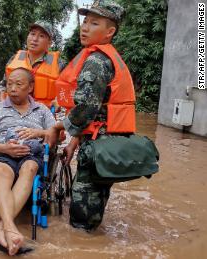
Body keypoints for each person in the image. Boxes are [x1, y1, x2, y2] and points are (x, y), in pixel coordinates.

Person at [49, 0, 136, 231]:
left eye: (94, 23)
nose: (85, 27)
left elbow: (86, 109)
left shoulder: (96, 61)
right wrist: (75, 141)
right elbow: (97, 114)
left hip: (100, 149)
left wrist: (59, 128)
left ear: (110, 32)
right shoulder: (108, 57)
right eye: (85, 21)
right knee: (94, 204)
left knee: (82, 222)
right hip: (109, 148)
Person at [0, 67, 55, 255]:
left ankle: (1, 229)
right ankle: (9, 227)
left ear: (30, 87)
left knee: (30, 167)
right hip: (2, 154)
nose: (12, 88)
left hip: (31, 155)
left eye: (18, 84)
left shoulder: (42, 110)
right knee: (2, 171)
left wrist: (39, 132)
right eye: (9, 84)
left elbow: (56, 136)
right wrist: (4, 148)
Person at [0, 21, 65, 108]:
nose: (35, 39)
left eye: (41, 36)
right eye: (32, 34)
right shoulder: (14, 59)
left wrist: (58, 101)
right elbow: (3, 85)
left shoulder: (59, 64)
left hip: (42, 116)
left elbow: (66, 91)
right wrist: (2, 101)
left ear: (49, 43)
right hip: (13, 113)